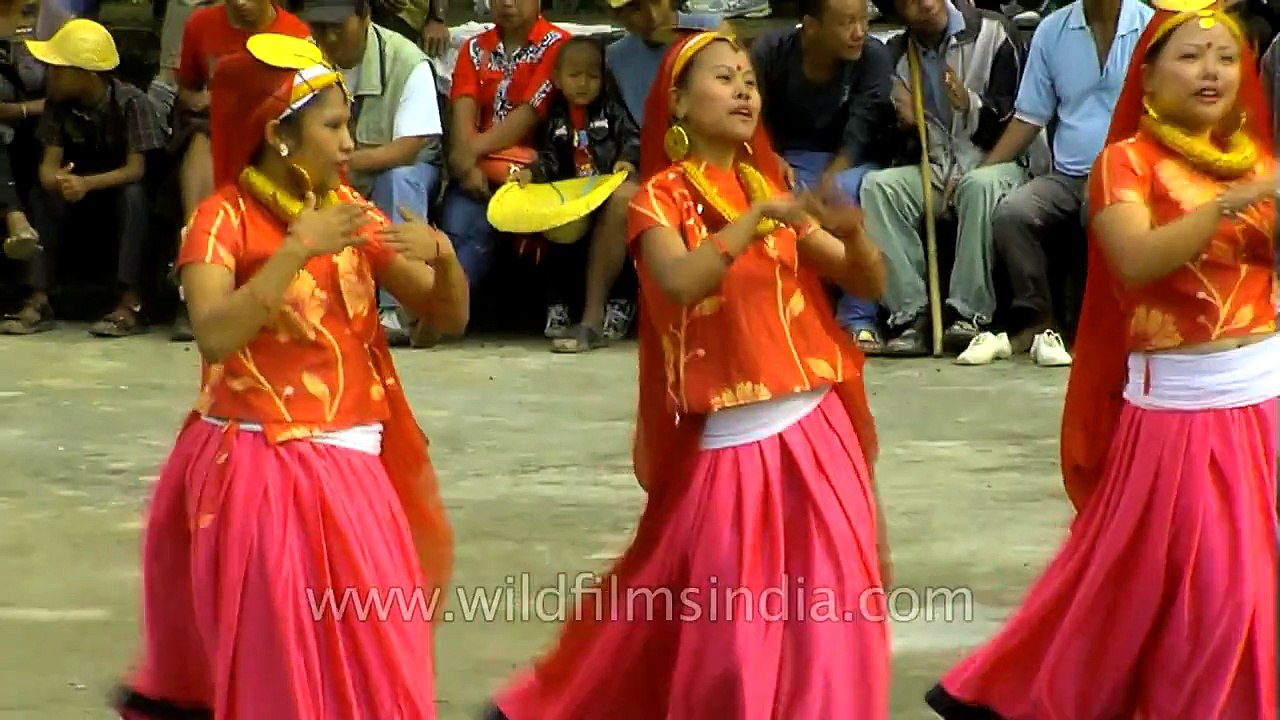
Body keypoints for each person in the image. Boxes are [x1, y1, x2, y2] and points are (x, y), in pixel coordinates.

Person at [483, 30, 892, 719]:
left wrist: (851, 237)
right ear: (676, 102)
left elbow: (865, 278)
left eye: (750, 81)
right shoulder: (657, 202)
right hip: (735, 443)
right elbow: (678, 280)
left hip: (819, 430)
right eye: (725, 78)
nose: (744, 91)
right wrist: (750, 223)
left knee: (835, 623)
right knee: (733, 635)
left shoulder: (772, 184)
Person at [926, 2, 1277, 717]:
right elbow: (1135, 259)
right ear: (1144, 76)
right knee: (1212, 589)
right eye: (1189, 55)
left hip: (1265, 403)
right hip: (1184, 418)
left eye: (1225, 56)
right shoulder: (1126, 164)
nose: (1211, 70)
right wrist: (1224, 210)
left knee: (1230, 588)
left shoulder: (1260, 163)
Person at [110, 33, 466, 718]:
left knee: (376, 645)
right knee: (287, 660)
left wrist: (445, 258)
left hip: (355, 465)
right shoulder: (220, 221)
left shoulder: (352, 213)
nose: (346, 144)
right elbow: (213, 333)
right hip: (261, 466)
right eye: (332, 126)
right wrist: (296, 250)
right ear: (279, 134)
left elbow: (444, 317)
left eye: (347, 126)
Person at [982, 0, 1154, 364]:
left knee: (1100, 210)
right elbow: (1030, 115)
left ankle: (1098, 328)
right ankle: (1040, 322)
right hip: (1067, 174)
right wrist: (984, 168)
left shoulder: (1149, 25)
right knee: (1013, 213)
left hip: (1129, 173)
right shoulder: (1052, 30)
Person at [858, 0, 1028, 358]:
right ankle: (911, 315)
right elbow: (887, 140)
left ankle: (969, 314)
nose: (924, 3)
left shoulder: (995, 32)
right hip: (938, 168)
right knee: (878, 187)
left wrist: (970, 105)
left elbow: (1019, 116)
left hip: (999, 162)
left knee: (977, 187)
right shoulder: (898, 54)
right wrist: (904, 121)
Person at [1, 19, 167, 338]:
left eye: (59, 69)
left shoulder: (132, 103)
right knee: (42, 194)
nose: (51, 76)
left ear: (87, 75)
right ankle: (38, 297)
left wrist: (87, 184)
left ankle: (130, 301)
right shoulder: (58, 106)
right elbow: (48, 165)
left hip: (116, 188)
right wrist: (56, 179)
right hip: (76, 190)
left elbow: (136, 169)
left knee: (134, 196)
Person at [750, 0, 893, 353]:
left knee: (845, 194)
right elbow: (751, 117)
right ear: (811, 25)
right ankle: (785, 314)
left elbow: (864, 124)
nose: (859, 32)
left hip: (855, 162)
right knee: (771, 192)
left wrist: (833, 175)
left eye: (863, 21)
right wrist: (769, 156)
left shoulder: (872, 57)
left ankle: (858, 319)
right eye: (847, 23)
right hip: (788, 158)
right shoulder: (772, 52)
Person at [303, 0, 445, 346]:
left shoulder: (407, 60)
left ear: (365, 15)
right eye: (319, 26)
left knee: (399, 178)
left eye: (338, 24)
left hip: (399, 169)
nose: (329, 35)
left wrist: (335, 162)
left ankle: (399, 307)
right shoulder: (302, 57)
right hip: (334, 168)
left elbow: (407, 148)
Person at [515, 36, 640, 351]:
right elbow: (550, 156)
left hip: (604, 192)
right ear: (557, 78)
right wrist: (534, 173)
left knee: (615, 241)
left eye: (592, 76)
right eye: (574, 76)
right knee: (560, 246)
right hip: (571, 198)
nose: (583, 84)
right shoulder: (555, 117)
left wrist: (627, 159)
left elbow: (631, 136)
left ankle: (620, 303)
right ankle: (559, 303)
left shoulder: (612, 109)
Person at [439, 0, 566, 301]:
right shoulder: (473, 48)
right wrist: (466, 166)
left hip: (534, 173)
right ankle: (438, 307)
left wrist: (467, 154)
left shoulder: (557, 46)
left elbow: (530, 114)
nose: (507, 2)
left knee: (480, 223)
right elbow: (463, 108)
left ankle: (442, 309)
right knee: (457, 224)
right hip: (479, 167)